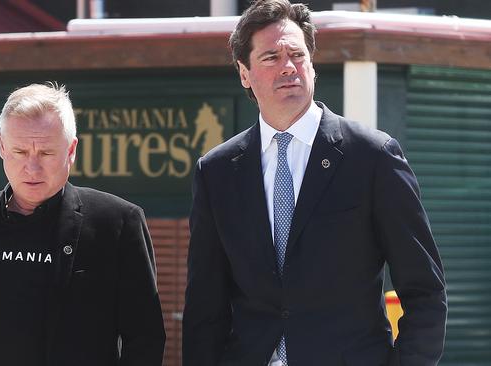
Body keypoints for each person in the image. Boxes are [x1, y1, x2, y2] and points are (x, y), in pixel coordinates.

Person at [182, 1, 447, 365]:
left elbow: (425, 290)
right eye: (270, 57)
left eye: (297, 54)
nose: (288, 67)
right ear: (244, 73)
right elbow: (204, 307)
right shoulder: (217, 171)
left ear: (312, 62)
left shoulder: (372, 156)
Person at [0, 83, 165, 366]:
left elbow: (145, 339)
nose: (32, 168)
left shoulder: (116, 223)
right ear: (1, 147)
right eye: (20, 152)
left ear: (71, 150)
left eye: (45, 153)